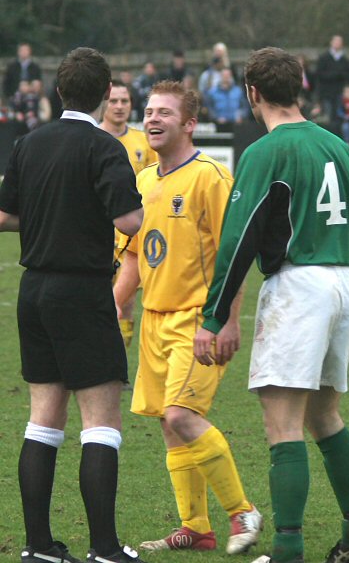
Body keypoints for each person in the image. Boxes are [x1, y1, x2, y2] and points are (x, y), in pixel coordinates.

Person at [194, 47, 349, 563]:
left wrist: (213, 318)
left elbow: (237, 241)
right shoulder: (339, 145)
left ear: (252, 93)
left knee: (282, 423)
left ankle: (286, 550)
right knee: (325, 416)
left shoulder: (265, 152)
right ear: (299, 86)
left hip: (300, 288)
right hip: (346, 283)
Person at [0, 47, 145, 563]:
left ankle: (39, 546)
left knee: (42, 420)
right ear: (107, 95)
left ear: (58, 91)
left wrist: (49, 213)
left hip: (34, 290)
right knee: (100, 423)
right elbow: (129, 222)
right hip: (83, 291)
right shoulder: (104, 148)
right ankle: (104, 548)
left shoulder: (27, 143)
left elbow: (5, 216)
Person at [113, 80, 263, 555]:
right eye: (149, 112)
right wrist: (115, 305)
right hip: (155, 322)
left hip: (198, 319)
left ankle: (242, 510)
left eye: (164, 113)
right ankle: (195, 527)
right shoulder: (142, 182)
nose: (152, 119)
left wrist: (225, 321)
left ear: (189, 124)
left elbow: (233, 255)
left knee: (182, 414)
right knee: (166, 420)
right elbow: (135, 256)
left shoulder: (211, 178)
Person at [100, 79, 157, 348]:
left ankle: (119, 364)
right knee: (95, 297)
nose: (120, 106)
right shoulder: (93, 138)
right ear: (104, 102)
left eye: (125, 101)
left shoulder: (142, 142)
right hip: (95, 233)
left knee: (128, 299)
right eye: (114, 100)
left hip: (131, 235)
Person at [316, 35, 349, 125]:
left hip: (340, 92)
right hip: (327, 92)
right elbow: (319, 74)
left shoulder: (344, 60)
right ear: (331, 43)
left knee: (339, 115)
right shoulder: (324, 58)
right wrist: (334, 75)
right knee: (328, 117)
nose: (337, 44)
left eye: (340, 42)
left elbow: (348, 75)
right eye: (336, 41)